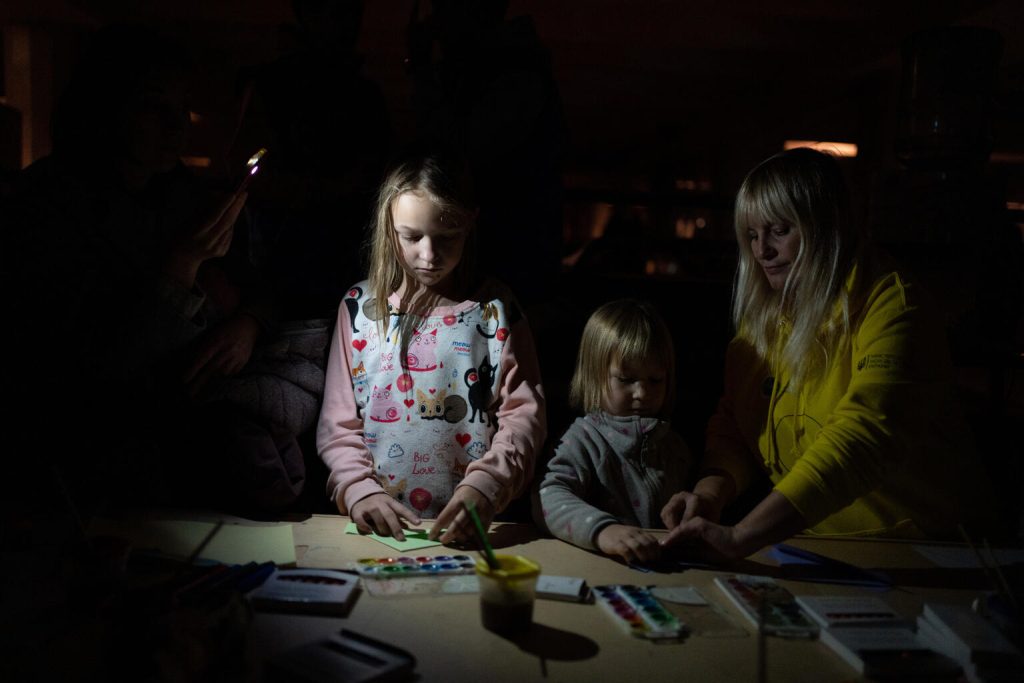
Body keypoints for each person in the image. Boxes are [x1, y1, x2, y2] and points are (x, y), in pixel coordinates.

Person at [660, 147, 996, 560]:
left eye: (779, 229)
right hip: (828, 553)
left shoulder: (893, 308)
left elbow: (862, 439)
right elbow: (735, 423)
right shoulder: (767, 318)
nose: (761, 250)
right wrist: (710, 494)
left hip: (933, 552)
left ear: (825, 224)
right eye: (751, 234)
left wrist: (743, 536)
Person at [316, 152, 546, 544]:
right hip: (378, 533)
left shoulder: (497, 309)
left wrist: (488, 486)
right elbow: (338, 424)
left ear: (471, 221)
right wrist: (358, 489)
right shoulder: (358, 309)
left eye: (446, 237)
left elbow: (524, 415)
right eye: (411, 236)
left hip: (477, 532)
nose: (428, 254)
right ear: (389, 226)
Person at [534, 299, 692, 564]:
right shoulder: (582, 440)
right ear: (594, 375)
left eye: (655, 380)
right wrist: (603, 531)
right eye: (627, 379)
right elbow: (547, 498)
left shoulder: (675, 446)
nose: (642, 393)